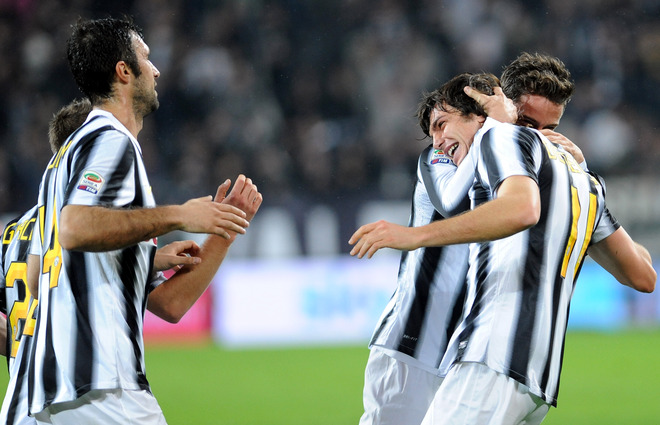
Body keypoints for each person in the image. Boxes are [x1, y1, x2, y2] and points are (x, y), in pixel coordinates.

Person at [350, 72, 655, 424]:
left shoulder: (530, 167)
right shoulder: (441, 157)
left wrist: (576, 171)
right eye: (525, 123)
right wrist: (498, 130)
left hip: (470, 349)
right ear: (491, 110)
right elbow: (452, 201)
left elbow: (639, 270)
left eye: (547, 127)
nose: (535, 135)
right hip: (414, 342)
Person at [27, 17, 262, 424]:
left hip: (58, 393)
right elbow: (74, 229)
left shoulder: (62, 162)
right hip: (102, 386)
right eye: (146, 59)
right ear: (124, 72)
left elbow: (170, 306)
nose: (155, 70)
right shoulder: (109, 139)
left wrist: (222, 231)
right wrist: (180, 215)